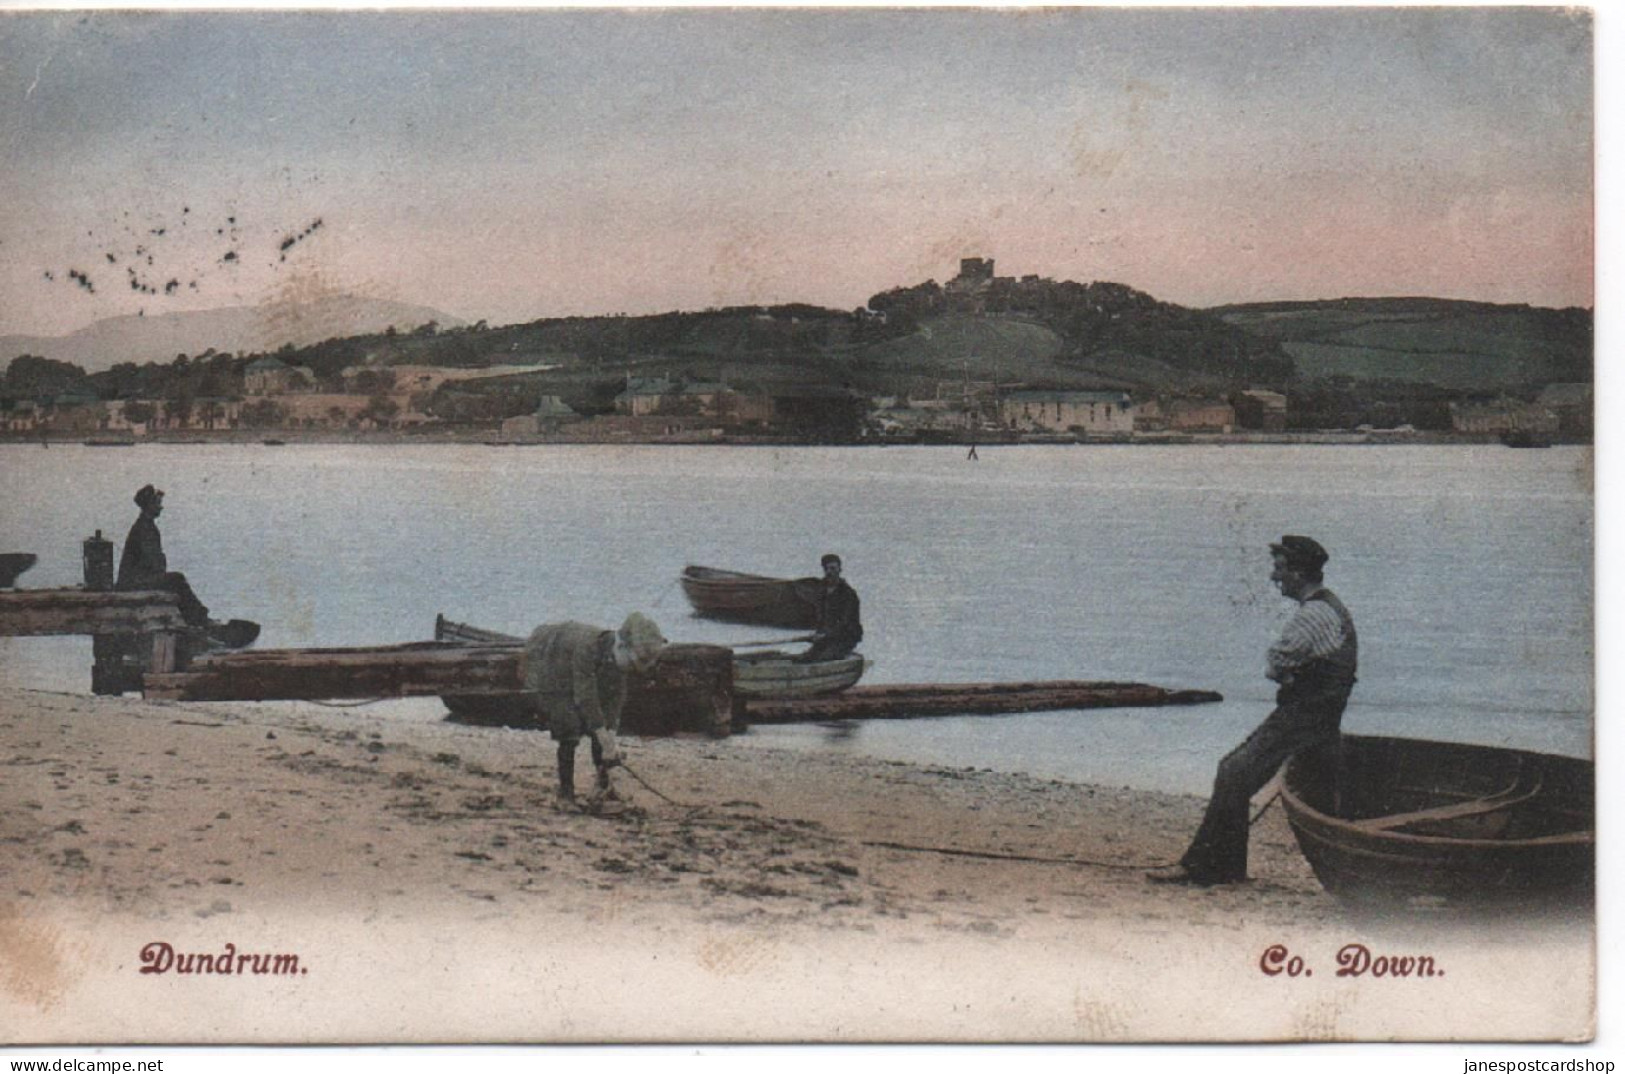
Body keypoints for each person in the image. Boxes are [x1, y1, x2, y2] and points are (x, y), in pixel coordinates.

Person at [1149, 535, 1357, 887]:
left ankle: (1209, 868)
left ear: (1298, 573)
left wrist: (1288, 675)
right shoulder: (1331, 608)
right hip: (1323, 720)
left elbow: (1275, 663)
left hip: (1302, 718)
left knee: (1233, 772)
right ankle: (1227, 867)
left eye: (1279, 570)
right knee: (1322, 799)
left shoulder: (1313, 615)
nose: (1274, 578)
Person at [523, 612, 667, 813]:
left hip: (576, 673)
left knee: (601, 732)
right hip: (551, 664)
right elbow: (586, 696)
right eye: (633, 663)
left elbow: (615, 699)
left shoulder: (617, 660)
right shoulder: (587, 647)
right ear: (621, 645)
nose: (632, 669)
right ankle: (565, 794)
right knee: (569, 727)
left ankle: (602, 787)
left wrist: (610, 735)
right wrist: (603, 735)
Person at [117, 485, 211, 628]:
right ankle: (200, 620)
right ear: (149, 505)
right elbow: (153, 561)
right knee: (177, 579)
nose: (161, 507)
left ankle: (196, 620)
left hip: (135, 580)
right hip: (134, 582)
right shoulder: (145, 528)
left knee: (174, 579)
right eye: (158, 503)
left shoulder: (144, 525)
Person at [798, 553, 863, 663]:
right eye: (826, 569)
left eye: (833, 568)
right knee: (804, 659)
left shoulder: (848, 594)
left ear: (839, 569)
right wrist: (818, 634)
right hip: (827, 638)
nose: (829, 572)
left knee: (824, 659)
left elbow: (845, 622)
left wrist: (826, 635)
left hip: (845, 638)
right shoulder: (822, 591)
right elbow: (821, 617)